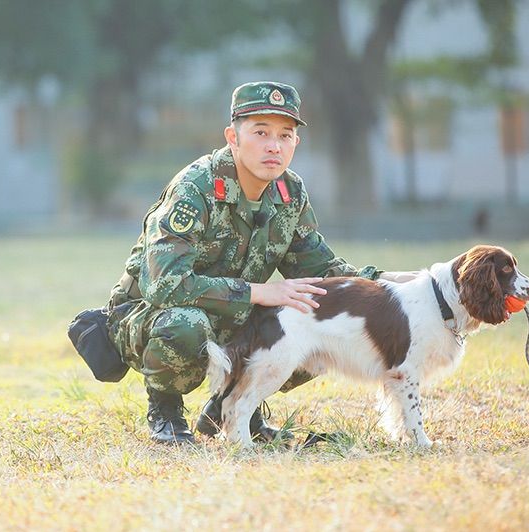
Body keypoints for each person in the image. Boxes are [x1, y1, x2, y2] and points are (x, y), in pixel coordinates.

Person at [105, 81, 386, 445]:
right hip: (148, 314)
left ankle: (231, 407)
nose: (274, 145)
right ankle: (166, 410)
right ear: (233, 137)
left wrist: (390, 284)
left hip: (230, 314)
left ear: (295, 144)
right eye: (260, 132)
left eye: (285, 135)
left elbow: (321, 272)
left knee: (314, 312)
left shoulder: (289, 192)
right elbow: (165, 285)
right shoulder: (196, 187)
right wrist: (260, 292)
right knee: (187, 325)